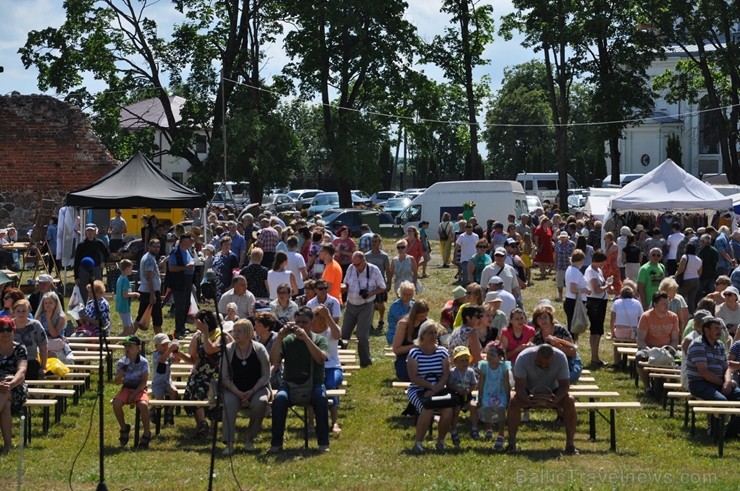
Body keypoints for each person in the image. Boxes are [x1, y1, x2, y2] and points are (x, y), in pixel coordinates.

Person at [268, 307, 330, 453]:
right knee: (279, 400)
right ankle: (276, 444)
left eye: (304, 322)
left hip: (314, 384)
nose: (301, 325)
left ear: (312, 322)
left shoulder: (319, 339)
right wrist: (279, 338)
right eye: (298, 322)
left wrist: (306, 339)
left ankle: (323, 443)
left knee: (321, 399)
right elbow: (274, 360)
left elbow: (320, 359)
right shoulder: (288, 341)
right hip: (290, 384)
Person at [507, 344, 579, 454]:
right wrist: (527, 400)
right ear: (535, 355)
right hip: (529, 389)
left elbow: (564, 385)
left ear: (553, 357)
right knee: (513, 401)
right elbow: (519, 386)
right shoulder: (523, 357)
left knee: (569, 400)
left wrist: (557, 399)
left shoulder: (561, 357)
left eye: (547, 364)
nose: (543, 366)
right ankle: (511, 444)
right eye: (540, 363)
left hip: (554, 390)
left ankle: (570, 445)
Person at [220, 319, 271, 455]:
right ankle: (229, 443)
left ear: (248, 333)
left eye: (239, 331)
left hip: (257, 388)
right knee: (229, 403)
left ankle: (250, 439)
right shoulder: (228, 350)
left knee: (260, 403)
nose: (235, 334)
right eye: (234, 331)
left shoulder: (259, 349)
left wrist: (251, 392)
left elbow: (266, 375)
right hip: (233, 389)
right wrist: (238, 393)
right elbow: (224, 376)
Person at [180, 310, 230, 439]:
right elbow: (193, 358)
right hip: (199, 373)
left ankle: (208, 424)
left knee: (204, 387)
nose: (197, 327)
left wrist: (206, 332)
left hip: (217, 374)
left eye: (198, 324)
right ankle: (202, 424)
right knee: (194, 386)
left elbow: (210, 349)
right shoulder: (199, 336)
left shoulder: (222, 335)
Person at [406, 321, 452, 453]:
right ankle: (419, 443)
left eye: (435, 333)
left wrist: (436, 388)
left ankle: (441, 441)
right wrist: (431, 387)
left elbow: (446, 373)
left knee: (448, 409)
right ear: (422, 335)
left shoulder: (442, 352)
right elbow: (413, 377)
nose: (433, 336)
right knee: (427, 408)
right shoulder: (414, 353)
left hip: (438, 388)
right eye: (430, 333)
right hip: (418, 389)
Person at [341, 252, 386, 368]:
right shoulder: (351, 268)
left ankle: (365, 362)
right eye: (354, 264)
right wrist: (343, 288)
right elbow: (346, 283)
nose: (356, 267)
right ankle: (340, 360)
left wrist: (370, 293)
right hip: (351, 304)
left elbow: (382, 287)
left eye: (358, 264)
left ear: (364, 260)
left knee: (362, 335)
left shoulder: (373, 270)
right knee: (344, 333)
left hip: (366, 305)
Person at [686, 316, 740, 403]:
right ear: (707, 330)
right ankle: (717, 417)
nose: (720, 331)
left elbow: (727, 368)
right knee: (721, 401)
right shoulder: (698, 345)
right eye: (716, 328)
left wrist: (728, 382)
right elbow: (704, 372)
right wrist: (724, 383)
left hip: (719, 382)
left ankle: (734, 417)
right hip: (700, 383)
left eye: (721, 329)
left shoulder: (720, 345)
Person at [635, 291, 680, 394]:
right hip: (649, 348)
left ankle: (671, 385)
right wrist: (650, 351)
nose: (667, 306)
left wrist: (668, 351)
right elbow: (640, 339)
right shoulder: (646, 316)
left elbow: (675, 339)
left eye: (668, 303)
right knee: (639, 357)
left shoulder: (673, 317)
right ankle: (647, 386)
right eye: (664, 304)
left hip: (667, 348)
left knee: (680, 359)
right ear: (655, 304)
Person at [112, 335, 152, 449]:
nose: (127, 349)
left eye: (130, 346)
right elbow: (117, 382)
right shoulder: (121, 362)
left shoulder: (143, 362)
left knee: (143, 405)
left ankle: (146, 433)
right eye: (125, 346)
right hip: (126, 387)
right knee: (116, 403)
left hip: (139, 388)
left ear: (138, 348)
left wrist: (134, 395)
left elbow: (144, 382)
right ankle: (124, 428)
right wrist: (122, 372)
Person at [311, 305, 344, 434]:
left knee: (330, 385)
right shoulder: (309, 333)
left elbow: (337, 335)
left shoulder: (331, 331)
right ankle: (310, 422)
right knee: (313, 386)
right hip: (316, 367)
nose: (314, 323)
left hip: (333, 367)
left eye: (316, 320)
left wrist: (328, 316)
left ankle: (334, 422)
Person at [531, 305, 582, 383]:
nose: (543, 320)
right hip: (551, 364)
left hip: (570, 360)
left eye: (545, 317)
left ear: (550, 318)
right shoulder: (537, 337)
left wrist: (557, 345)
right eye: (539, 318)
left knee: (571, 377)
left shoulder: (560, 330)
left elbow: (572, 352)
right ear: (537, 322)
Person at [0, 316, 28, 454]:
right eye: (2, 329)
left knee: (4, 393)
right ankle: (7, 446)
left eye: (8, 329)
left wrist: (10, 384)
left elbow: (21, 372)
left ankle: (7, 446)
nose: (5, 332)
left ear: (13, 331)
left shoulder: (20, 348)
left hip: (16, 387)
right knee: (5, 404)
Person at [477, 341, 510, 450]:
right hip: (487, 393)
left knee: (501, 409)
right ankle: (489, 428)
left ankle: (501, 433)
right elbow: (481, 383)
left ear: (500, 357)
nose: (489, 356)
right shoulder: (484, 366)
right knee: (486, 408)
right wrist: (480, 396)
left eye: (493, 354)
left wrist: (508, 397)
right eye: (488, 353)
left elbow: (506, 384)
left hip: (500, 393)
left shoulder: (503, 367)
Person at [584, 250, 611, 368]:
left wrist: (607, 284)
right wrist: (608, 286)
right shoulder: (590, 271)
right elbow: (597, 289)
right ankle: (594, 358)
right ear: (596, 261)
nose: (602, 265)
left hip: (601, 302)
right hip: (594, 302)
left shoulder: (598, 270)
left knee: (599, 330)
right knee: (595, 330)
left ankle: (596, 357)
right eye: (601, 263)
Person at [447, 346, 478, 448]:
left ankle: (474, 428)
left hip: (467, 394)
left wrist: (469, 390)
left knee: (473, 406)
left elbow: (474, 384)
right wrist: (457, 389)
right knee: (456, 410)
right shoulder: (453, 372)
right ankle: (454, 429)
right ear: (455, 362)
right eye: (462, 361)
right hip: (456, 395)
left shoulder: (470, 372)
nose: (465, 363)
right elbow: (449, 385)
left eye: (466, 360)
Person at [150, 332, 183, 427]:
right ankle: (152, 411)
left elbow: (177, 361)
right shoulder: (156, 355)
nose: (166, 347)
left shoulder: (168, 354)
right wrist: (169, 351)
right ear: (156, 346)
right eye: (163, 345)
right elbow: (161, 360)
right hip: (157, 383)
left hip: (167, 381)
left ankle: (170, 412)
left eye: (167, 344)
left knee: (175, 392)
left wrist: (176, 351)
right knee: (159, 399)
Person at [392, 300, 430, 381]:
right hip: (406, 357)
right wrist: (416, 346)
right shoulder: (403, 324)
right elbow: (396, 350)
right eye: (420, 316)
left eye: (425, 316)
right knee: (407, 376)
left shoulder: (427, 322)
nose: (423, 319)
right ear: (414, 314)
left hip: (423, 356)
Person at [73, 223, 110, 304]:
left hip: (96, 269)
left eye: (92, 231)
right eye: (88, 231)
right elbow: (76, 261)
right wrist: (76, 276)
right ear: (86, 232)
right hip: (83, 270)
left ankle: (97, 306)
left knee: (97, 289)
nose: (90, 233)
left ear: (95, 232)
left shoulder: (99, 243)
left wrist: (104, 262)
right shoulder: (81, 245)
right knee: (84, 290)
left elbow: (107, 253)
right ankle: (85, 308)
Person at [169, 234, 196, 339]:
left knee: (186, 303)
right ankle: (179, 328)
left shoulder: (187, 250)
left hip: (188, 280)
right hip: (179, 281)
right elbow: (171, 268)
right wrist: (185, 268)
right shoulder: (175, 252)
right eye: (189, 241)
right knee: (180, 305)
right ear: (183, 242)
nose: (190, 242)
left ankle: (182, 326)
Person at [134, 239, 164, 334]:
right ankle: (160, 339)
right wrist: (152, 294)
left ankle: (130, 334)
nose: (156, 249)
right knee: (156, 318)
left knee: (143, 316)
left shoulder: (150, 257)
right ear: (149, 247)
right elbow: (149, 277)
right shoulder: (149, 259)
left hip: (149, 291)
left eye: (158, 247)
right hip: (150, 292)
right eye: (154, 247)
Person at [610, 284, 644, 365]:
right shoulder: (637, 303)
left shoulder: (616, 302)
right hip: (633, 333)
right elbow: (640, 320)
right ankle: (632, 361)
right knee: (633, 344)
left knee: (616, 345)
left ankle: (617, 361)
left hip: (620, 332)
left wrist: (612, 333)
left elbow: (612, 320)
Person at [365, 234, 390, 334]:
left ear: (380, 243)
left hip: (380, 284)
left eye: (376, 241)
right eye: (372, 241)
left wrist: (388, 282)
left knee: (380, 303)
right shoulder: (366, 255)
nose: (374, 243)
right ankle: (370, 323)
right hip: (370, 284)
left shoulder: (384, 256)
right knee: (370, 304)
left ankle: (381, 319)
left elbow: (388, 270)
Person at [34, 291, 69, 363]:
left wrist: (48, 319)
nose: (47, 305)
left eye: (50, 302)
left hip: (57, 345)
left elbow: (54, 335)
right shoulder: (40, 317)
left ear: (56, 303)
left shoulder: (61, 317)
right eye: (45, 303)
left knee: (52, 354)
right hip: (43, 345)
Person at [563, 249, 590, 336]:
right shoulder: (574, 272)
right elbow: (573, 289)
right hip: (574, 302)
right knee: (574, 327)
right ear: (580, 260)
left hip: (572, 300)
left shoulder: (571, 269)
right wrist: (585, 290)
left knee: (574, 326)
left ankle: (573, 343)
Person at [115, 259, 140, 335]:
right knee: (128, 330)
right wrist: (135, 294)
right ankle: (112, 342)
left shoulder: (120, 278)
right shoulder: (125, 279)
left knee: (131, 328)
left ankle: (128, 344)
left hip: (122, 306)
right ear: (126, 269)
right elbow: (125, 294)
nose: (132, 270)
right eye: (131, 268)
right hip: (124, 307)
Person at [676, 242, 702, 314]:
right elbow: (700, 272)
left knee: (680, 297)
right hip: (696, 280)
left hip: (687, 279)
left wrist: (676, 274)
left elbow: (681, 268)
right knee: (691, 299)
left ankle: (680, 313)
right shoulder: (698, 259)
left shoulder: (685, 257)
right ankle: (691, 314)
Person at [387, 281, 415, 346]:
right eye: (405, 294)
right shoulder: (395, 305)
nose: (407, 297)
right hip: (395, 334)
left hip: (409, 334)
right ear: (400, 293)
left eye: (410, 294)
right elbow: (403, 321)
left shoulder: (413, 305)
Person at [213, 235, 239, 299]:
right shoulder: (217, 255)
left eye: (229, 244)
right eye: (225, 244)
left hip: (227, 285)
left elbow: (235, 273)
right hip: (216, 284)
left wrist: (231, 285)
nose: (227, 246)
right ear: (221, 245)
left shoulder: (233, 257)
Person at [553, 231, 576, 302]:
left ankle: (568, 295)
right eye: (561, 237)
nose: (562, 238)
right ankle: (560, 295)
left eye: (564, 237)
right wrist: (555, 264)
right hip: (560, 265)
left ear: (567, 237)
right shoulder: (558, 244)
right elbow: (556, 254)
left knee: (569, 282)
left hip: (569, 265)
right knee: (559, 281)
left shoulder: (572, 244)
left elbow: (575, 254)